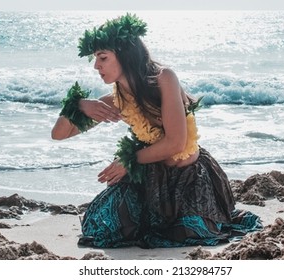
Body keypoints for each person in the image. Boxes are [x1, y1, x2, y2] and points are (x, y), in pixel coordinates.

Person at [51, 14, 261, 248]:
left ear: (125, 56)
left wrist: (127, 162)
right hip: (151, 180)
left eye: (102, 57)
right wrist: (79, 105)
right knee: (99, 223)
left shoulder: (164, 79)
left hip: (188, 181)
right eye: (95, 58)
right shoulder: (115, 101)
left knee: (189, 232)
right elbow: (59, 133)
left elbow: (176, 143)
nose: (96, 65)